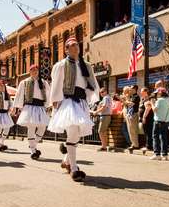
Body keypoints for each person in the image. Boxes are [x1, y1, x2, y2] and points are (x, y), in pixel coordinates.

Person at [48, 36, 99, 182]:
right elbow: (56, 84)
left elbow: (92, 84)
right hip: (68, 101)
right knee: (72, 132)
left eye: (77, 44)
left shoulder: (86, 65)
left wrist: (89, 97)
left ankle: (66, 161)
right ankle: (74, 169)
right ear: (66, 49)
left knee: (76, 135)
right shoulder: (61, 65)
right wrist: (55, 102)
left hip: (81, 102)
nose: (76, 47)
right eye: (72, 45)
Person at [13, 64, 51, 159]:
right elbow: (19, 95)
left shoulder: (44, 83)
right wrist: (16, 107)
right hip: (29, 106)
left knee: (42, 127)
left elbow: (48, 94)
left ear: (38, 71)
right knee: (31, 128)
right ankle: (33, 151)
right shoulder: (24, 82)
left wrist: (48, 105)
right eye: (32, 70)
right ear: (30, 72)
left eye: (36, 70)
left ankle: (33, 144)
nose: (34, 72)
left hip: (40, 106)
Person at [150, 87, 169, 161]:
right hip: (165, 121)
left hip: (158, 121)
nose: (156, 94)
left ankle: (157, 154)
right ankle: (165, 155)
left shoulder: (159, 100)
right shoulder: (168, 100)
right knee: (164, 138)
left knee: (155, 137)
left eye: (157, 93)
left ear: (160, 93)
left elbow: (154, 110)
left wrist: (152, 103)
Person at [92, 87, 112, 151]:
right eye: (100, 92)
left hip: (105, 116)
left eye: (102, 92)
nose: (101, 93)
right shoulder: (107, 98)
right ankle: (104, 146)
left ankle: (104, 147)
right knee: (103, 132)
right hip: (105, 116)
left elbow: (104, 107)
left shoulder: (106, 98)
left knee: (100, 131)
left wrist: (96, 112)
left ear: (106, 91)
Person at [123, 85, 140, 151]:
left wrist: (125, 101)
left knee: (133, 130)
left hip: (134, 114)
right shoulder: (131, 96)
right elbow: (127, 104)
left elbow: (131, 104)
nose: (130, 90)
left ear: (135, 89)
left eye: (131, 89)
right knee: (130, 130)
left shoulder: (136, 96)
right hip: (129, 114)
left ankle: (136, 145)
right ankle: (133, 143)